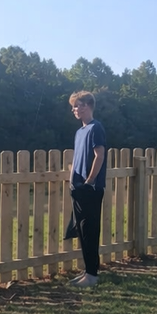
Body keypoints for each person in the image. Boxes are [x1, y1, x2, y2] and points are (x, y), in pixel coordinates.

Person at [67, 90, 107, 286]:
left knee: (90, 231)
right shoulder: (80, 132)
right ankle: (88, 272)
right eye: (73, 106)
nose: (74, 109)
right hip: (78, 188)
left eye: (76, 105)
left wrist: (90, 182)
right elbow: (79, 159)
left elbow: (99, 155)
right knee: (82, 231)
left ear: (86, 106)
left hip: (90, 189)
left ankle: (92, 275)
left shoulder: (95, 128)